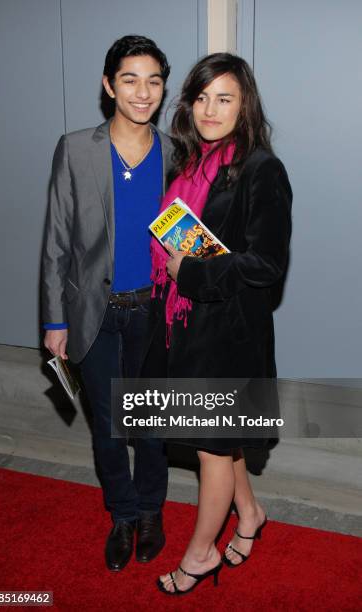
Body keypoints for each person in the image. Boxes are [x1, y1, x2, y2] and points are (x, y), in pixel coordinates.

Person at [143, 52, 292, 594]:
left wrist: (196, 273)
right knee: (223, 444)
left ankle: (199, 554)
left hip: (230, 336)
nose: (210, 109)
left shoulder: (261, 169)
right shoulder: (188, 164)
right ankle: (248, 514)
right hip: (189, 328)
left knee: (211, 448)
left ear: (244, 104)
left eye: (224, 98)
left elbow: (267, 263)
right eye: (201, 97)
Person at [41, 35, 173, 572]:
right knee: (109, 425)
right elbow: (56, 240)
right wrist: (53, 320)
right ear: (108, 85)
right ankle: (122, 514)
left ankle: (150, 513)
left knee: (153, 422)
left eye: (154, 81)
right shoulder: (75, 148)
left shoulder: (178, 151)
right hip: (93, 311)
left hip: (156, 310)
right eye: (130, 79)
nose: (143, 93)